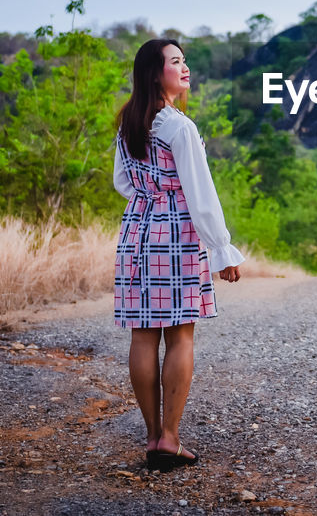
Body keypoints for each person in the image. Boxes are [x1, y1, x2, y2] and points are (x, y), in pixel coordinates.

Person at [112, 38, 245, 471]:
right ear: (155, 73)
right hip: (176, 231)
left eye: (184, 61)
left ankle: (152, 438)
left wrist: (149, 200)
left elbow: (123, 183)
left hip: (137, 229)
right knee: (181, 335)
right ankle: (169, 438)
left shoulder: (129, 121)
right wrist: (222, 249)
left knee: (142, 335)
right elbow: (200, 194)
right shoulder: (178, 126)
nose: (184, 68)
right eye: (175, 62)